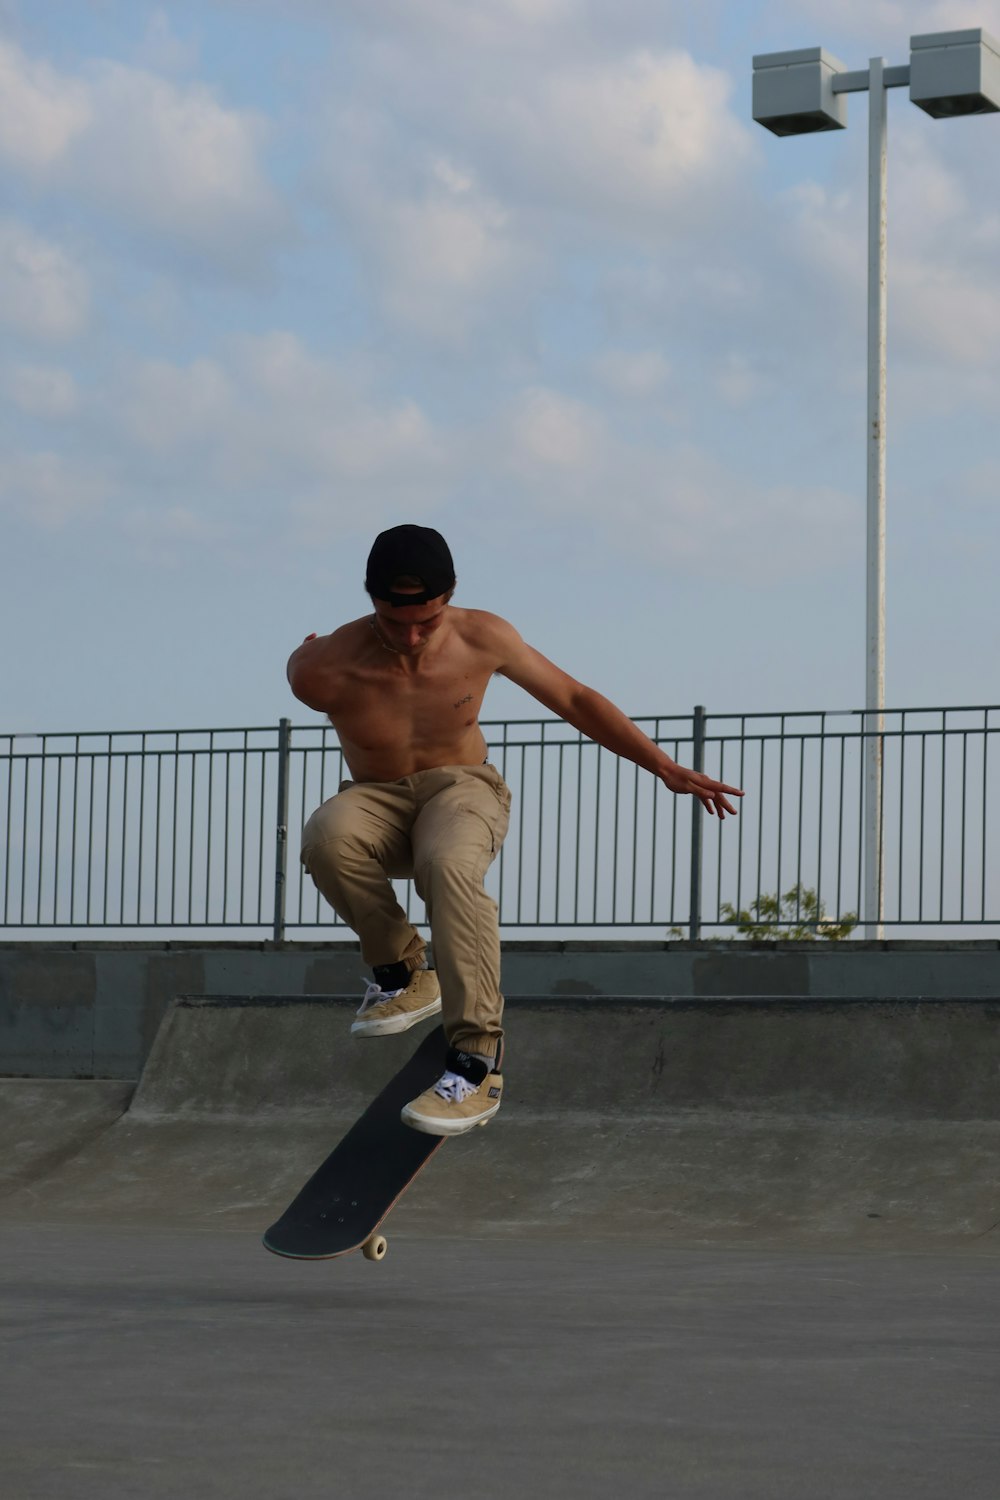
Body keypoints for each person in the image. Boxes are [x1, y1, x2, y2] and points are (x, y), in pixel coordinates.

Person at [288, 524, 742, 1138]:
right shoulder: (323, 667)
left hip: (462, 789)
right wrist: (305, 654)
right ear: (371, 601)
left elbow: (574, 698)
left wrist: (661, 765)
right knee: (325, 836)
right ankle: (404, 970)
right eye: (398, 625)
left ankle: (477, 1062)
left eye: (429, 620)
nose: (415, 637)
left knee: (447, 867)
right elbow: (302, 662)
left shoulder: (484, 636)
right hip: (376, 798)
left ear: (450, 598)